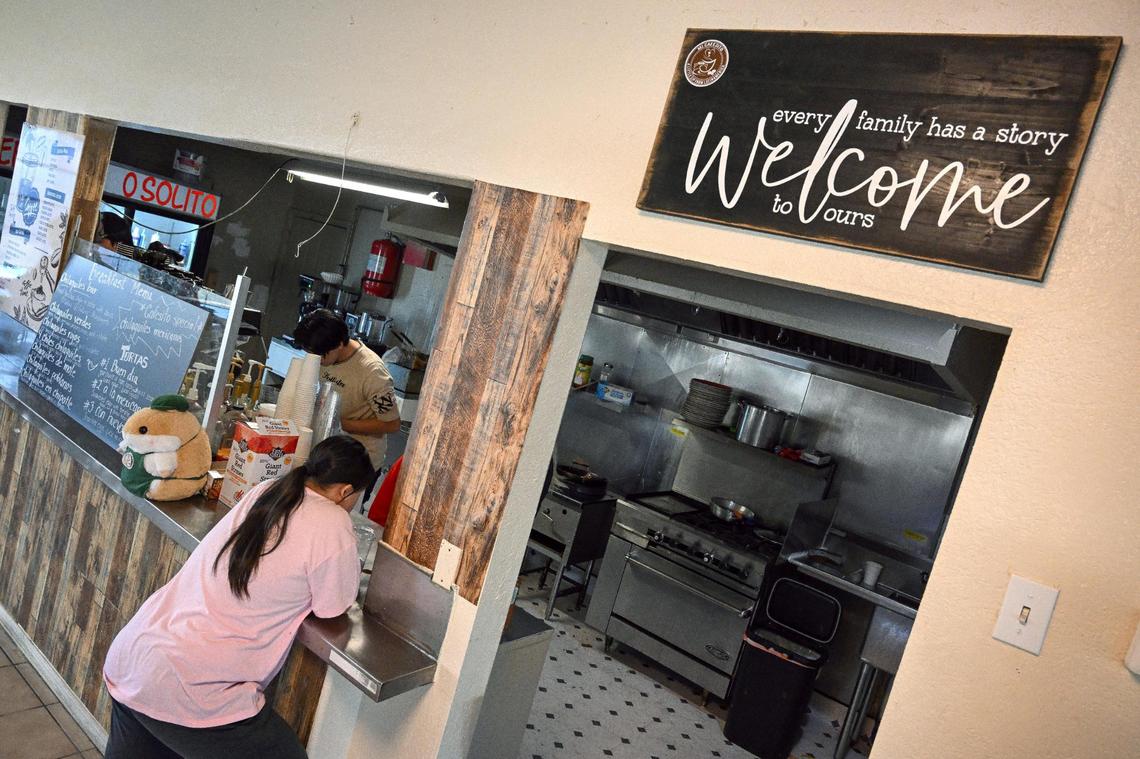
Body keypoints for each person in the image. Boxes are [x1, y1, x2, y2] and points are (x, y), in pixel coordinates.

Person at [102, 435, 375, 758]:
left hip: (136, 654)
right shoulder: (333, 522)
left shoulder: (270, 490)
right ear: (346, 491)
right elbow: (334, 606)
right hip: (190, 685)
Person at [293, 309, 401, 490]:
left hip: (359, 462)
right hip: (329, 451)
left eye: (320, 355)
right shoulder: (322, 354)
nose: (316, 360)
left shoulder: (372, 372)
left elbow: (392, 424)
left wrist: (340, 423)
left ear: (339, 344)